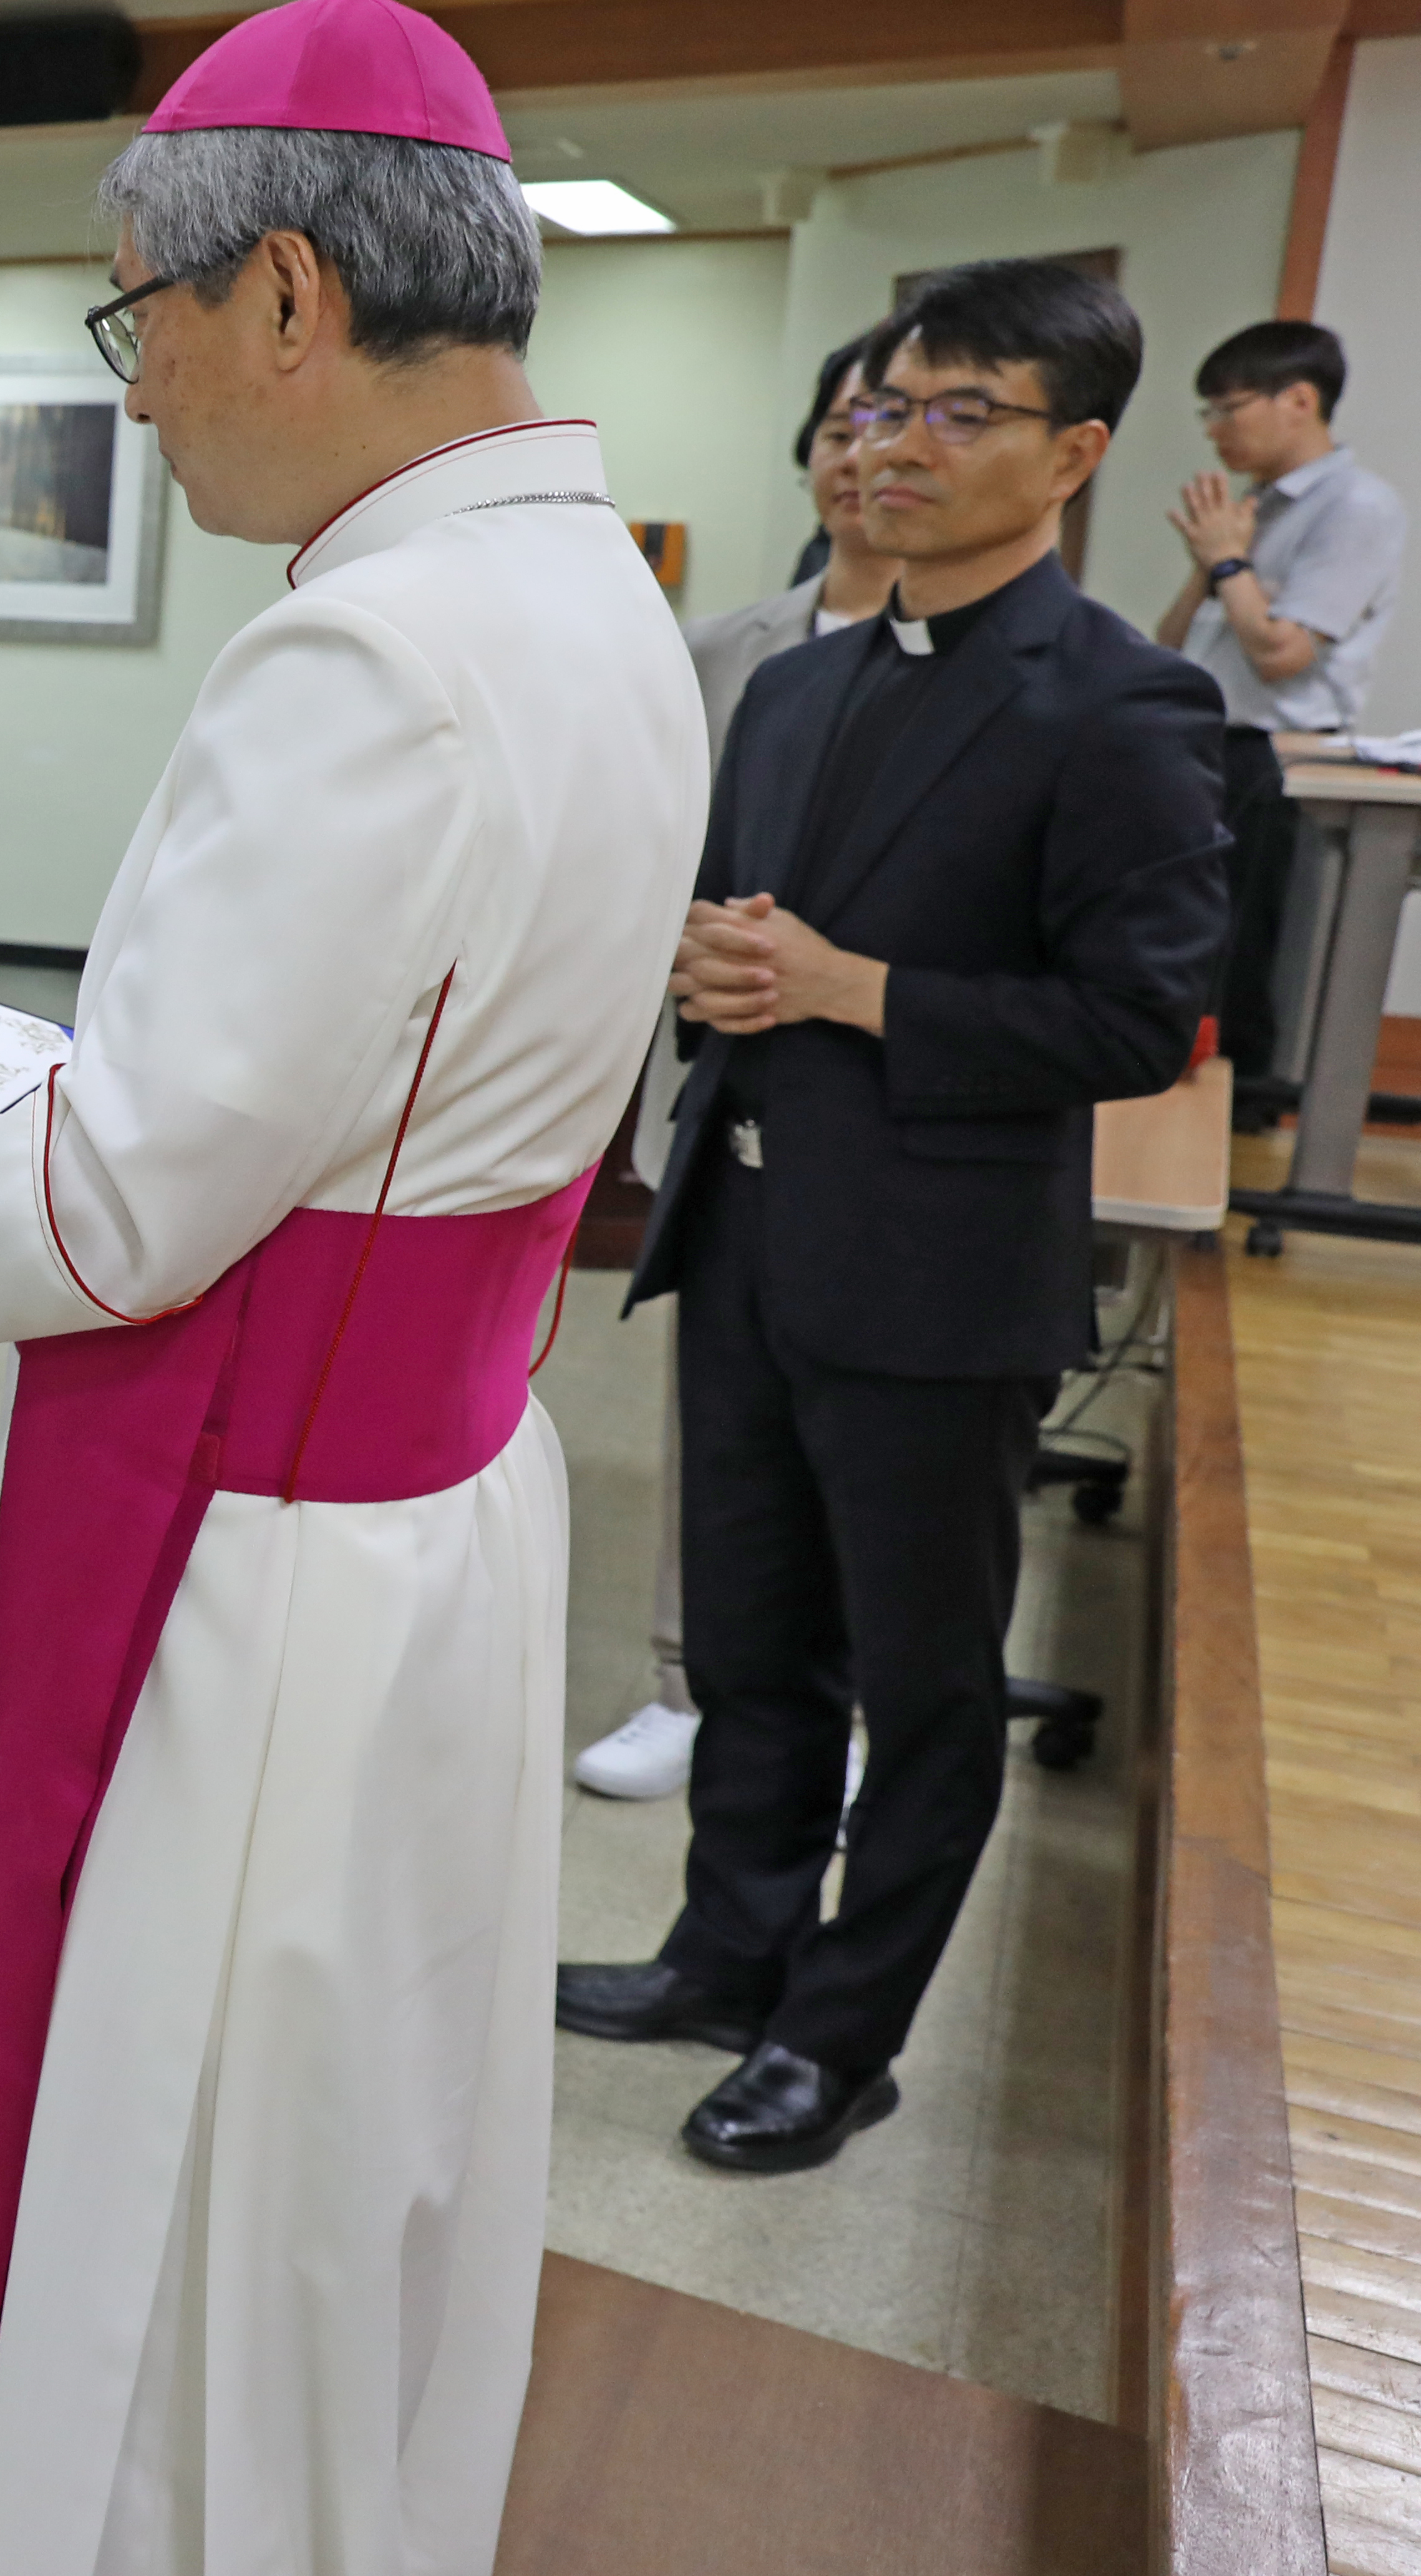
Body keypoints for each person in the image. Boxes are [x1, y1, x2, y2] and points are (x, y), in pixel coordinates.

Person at [0, 0, 699, 2572]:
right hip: (434, 1493)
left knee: (183, 2175)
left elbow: (133, 1202)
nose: (147, 388)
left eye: (144, 320)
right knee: (351, 2152)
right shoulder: (596, 600)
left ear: (286, 294)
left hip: (264, 1566)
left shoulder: (371, 661)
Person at [567, 260, 1226, 2181]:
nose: (895, 447)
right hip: (748, 1233)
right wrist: (696, 957)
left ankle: (838, 2039)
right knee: (750, 1642)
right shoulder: (788, 681)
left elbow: (1140, 1019)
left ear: (1073, 450)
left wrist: (858, 991)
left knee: (920, 1684)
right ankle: (723, 1952)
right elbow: (730, 927)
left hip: (938, 1272)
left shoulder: (1120, 701)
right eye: (875, 409)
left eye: (957, 412)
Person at [576, 333, 904, 1804]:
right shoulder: (724, 650)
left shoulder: (1000, 665)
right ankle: (683, 1680)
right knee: (714, 1406)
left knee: (862, 1429)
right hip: (724, 1088)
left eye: (894, 420)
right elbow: (656, 862)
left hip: (893, 1103)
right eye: (840, 423)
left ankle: (835, 1719)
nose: (860, 452)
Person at [1152, 318, 1405, 1123]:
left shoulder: (1357, 507)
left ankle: (1243, 1119)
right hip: (1207, 741)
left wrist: (1231, 563)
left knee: (1248, 950)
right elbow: (1171, 646)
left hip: (1278, 754)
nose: (1218, 430)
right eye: (1209, 414)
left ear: (1300, 400)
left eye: (1230, 408)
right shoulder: (1251, 508)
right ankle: (1178, 1101)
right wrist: (1210, 563)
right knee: (1186, 936)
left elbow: (1282, 652)